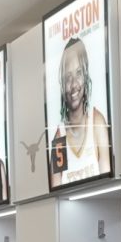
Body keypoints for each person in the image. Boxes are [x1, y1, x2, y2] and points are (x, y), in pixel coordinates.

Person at [51, 31, 110, 181]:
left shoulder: (98, 123)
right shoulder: (59, 137)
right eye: (68, 77)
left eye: (78, 73)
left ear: (85, 76)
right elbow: (56, 192)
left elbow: (108, 182)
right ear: (63, 84)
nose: (74, 84)